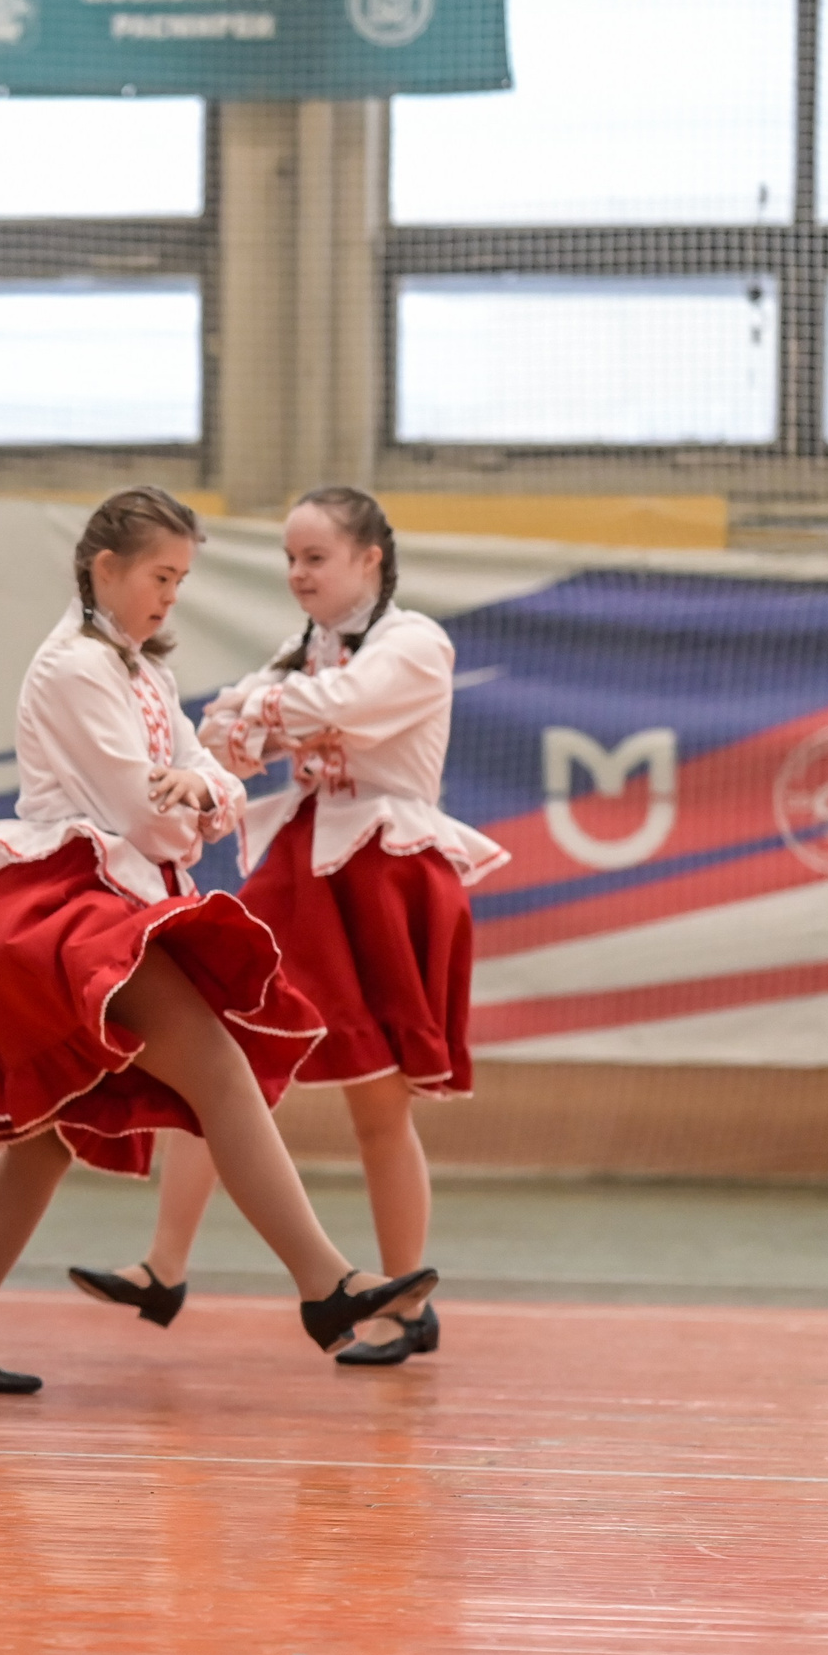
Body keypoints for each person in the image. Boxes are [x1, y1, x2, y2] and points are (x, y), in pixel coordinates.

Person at [0, 488, 439, 1394]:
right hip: (68, 907)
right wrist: (191, 799)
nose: (171, 597)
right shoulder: (76, 666)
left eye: (182, 580)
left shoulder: (139, 668)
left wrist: (196, 793)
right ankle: (326, 1282)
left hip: (113, 899)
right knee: (222, 1076)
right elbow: (148, 812)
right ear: (103, 569)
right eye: (161, 576)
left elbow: (200, 775)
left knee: (41, 1143)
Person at [69, 486, 503, 1366]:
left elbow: (324, 709)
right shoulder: (302, 648)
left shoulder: (414, 642)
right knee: (214, 1057)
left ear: (370, 559)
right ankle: (165, 1263)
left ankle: (406, 1294)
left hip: (381, 868)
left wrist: (266, 713)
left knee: (380, 1101)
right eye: (290, 559)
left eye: (316, 557)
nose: (298, 573)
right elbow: (226, 730)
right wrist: (264, 714)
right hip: (303, 867)